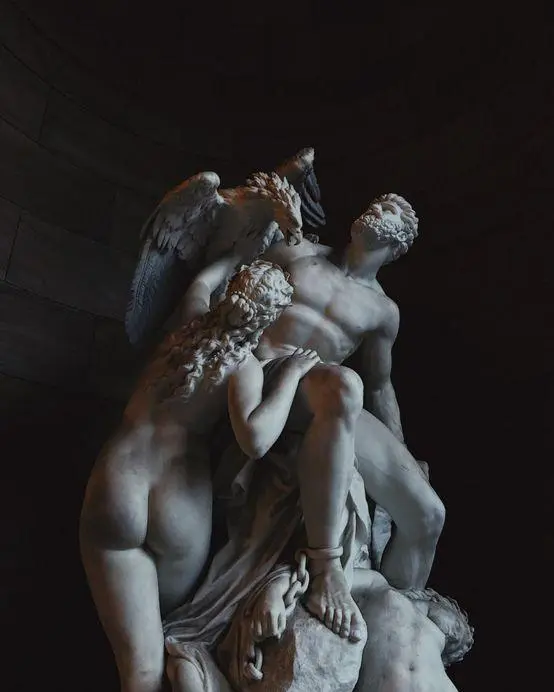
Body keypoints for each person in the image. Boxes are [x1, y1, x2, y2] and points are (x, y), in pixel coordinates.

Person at [182, 193, 446, 640]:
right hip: (268, 374)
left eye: (387, 211)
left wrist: (405, 451)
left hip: (328, 391)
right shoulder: (298, 252)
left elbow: (380, 387)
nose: (374, 210)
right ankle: (325, 568)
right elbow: (232, 285)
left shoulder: (383, 312)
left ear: (399, 244)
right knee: (343, 384)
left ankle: (394, 636)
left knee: (428, 514)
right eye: (375, 204)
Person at [80, 260, 321, 692]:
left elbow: (201, 281)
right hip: (179, 500)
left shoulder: (186, 324)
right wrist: (290, 375)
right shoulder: (244, 366)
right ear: (268, 318)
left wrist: (240, 252)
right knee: (162, 648)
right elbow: (256, 440)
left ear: (233, 291)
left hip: (118, 479)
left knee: (136, 666)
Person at [352, 570, 474, 691]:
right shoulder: (378, 584)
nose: (453, 634)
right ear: (436, 599)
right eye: (457, 626)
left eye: (453, 644)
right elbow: (343, 581)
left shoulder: (433, 635)